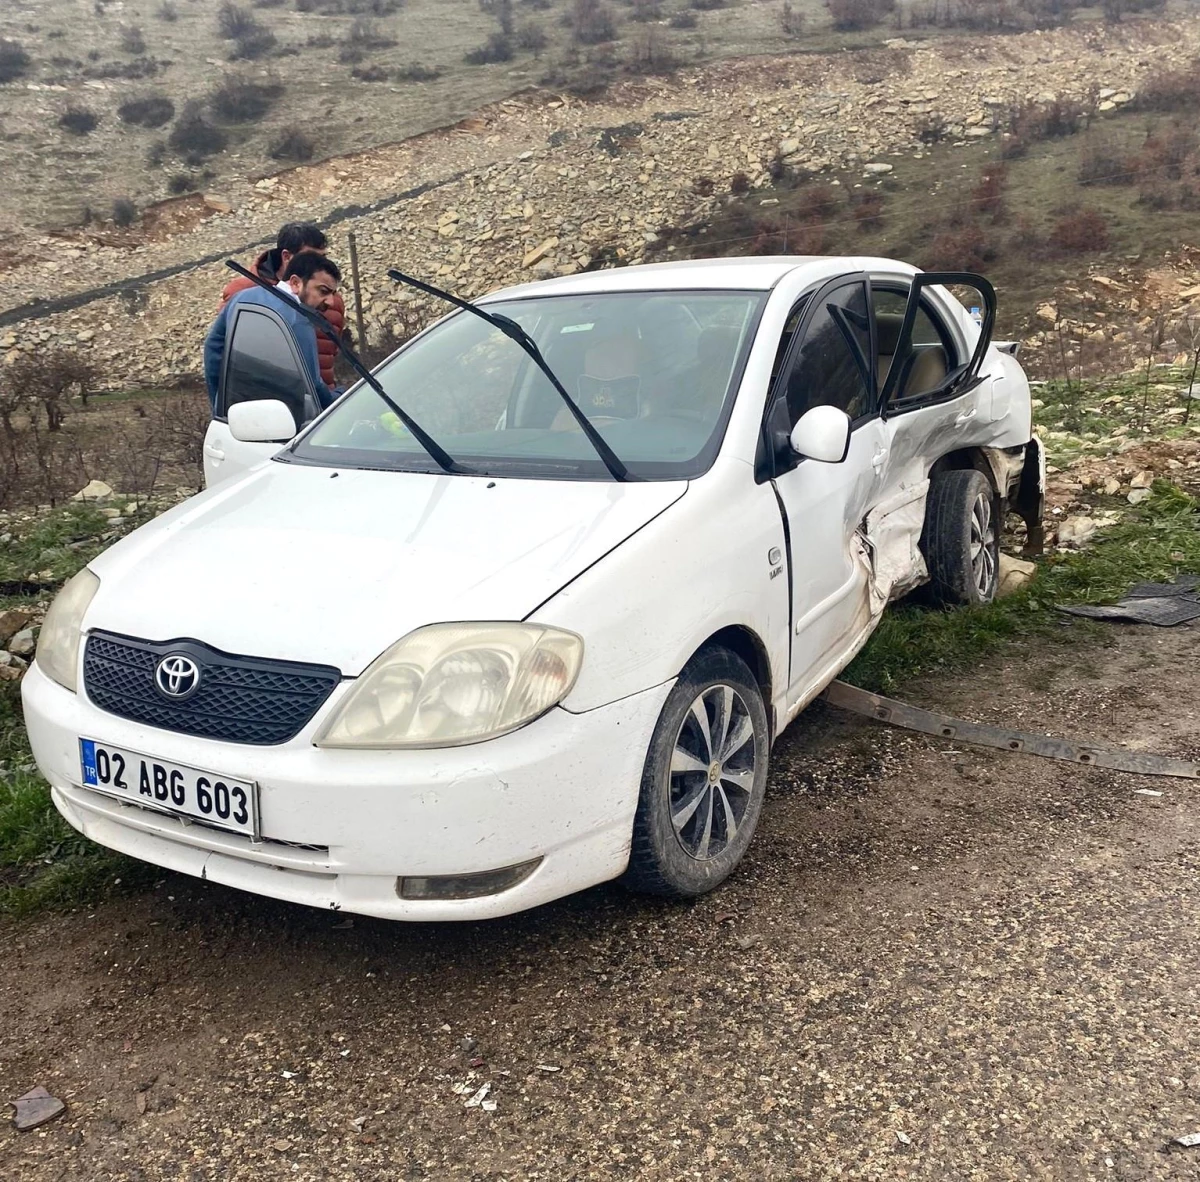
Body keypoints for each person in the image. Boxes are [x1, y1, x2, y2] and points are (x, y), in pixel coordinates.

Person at [204, 252, 343, 413]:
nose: (331, 301)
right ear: (296, 283)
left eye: (332, 294)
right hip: (280, 421)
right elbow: (312, 386)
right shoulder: (298, 320)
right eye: (323, 291)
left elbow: (213, 350)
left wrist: (220, 406)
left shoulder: (242, 298)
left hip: (235, 415)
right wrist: (338, 399)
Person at [220, 222, 347, 390]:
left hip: (325, 406)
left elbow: (331, 355)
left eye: (323, 258)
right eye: (310, 258)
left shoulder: (332, 302)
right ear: (287, 256)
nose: (318, 265)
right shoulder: (243, 294)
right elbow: (223, 354)